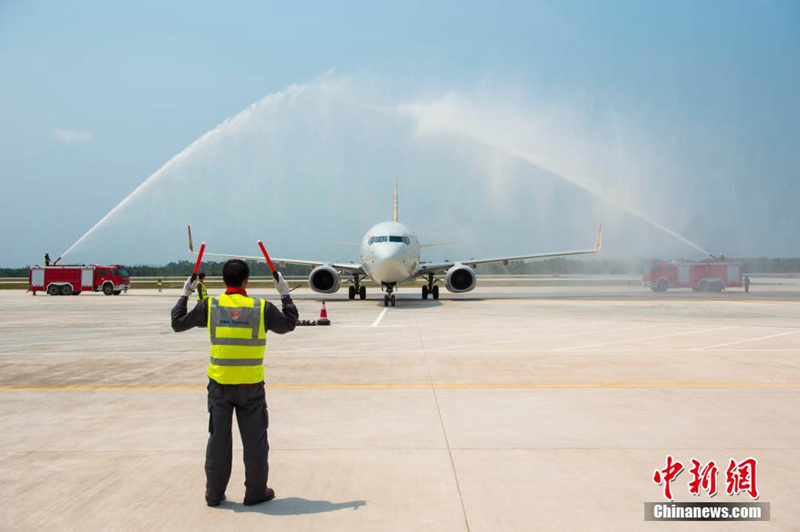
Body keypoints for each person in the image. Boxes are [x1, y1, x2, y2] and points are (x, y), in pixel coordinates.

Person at [171, 259, 298, 507]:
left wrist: (185, 293)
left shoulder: (212, 304)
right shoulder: (261, 307)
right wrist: (285, 294)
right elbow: (289, 324)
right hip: (250, 387)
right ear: (246, 280)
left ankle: (214, 494)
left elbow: (177, 323)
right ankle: (255, 492)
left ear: (223, 280)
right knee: (255, 443)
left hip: (219, 384)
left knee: (218, 441)